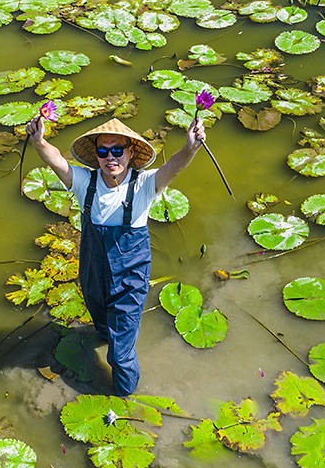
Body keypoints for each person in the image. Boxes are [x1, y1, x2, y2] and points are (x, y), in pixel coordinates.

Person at [25, 114, 206, 395]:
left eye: (118, 150)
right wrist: (39, 141)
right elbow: (57, 160)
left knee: (120, 355)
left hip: (130, 277)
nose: (111, 157)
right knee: (101, 323)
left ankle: (124, 396)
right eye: (103, 151)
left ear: (131, 152)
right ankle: (104, 335)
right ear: (96, 155)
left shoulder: (144, 184)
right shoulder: (86, 182)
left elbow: (173, 167)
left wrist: (190, 148)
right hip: (93, 271)